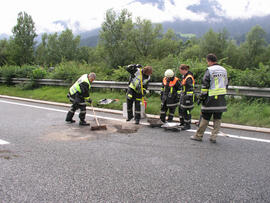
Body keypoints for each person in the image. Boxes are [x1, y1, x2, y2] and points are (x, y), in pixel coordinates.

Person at [191, 53, 228, 143]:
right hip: (221, 98)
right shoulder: (224, 70)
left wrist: (201, 97)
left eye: (207, 61)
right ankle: (213, 137)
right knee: (217, 118)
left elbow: (205, 86)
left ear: (209, 61)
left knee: (205, 117)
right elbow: (226, 83)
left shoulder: (210, 70)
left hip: (210, 98)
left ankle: (198, 136)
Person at [178, 64, 195, 130]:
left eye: (181, 70)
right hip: (184, 97)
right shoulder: (185, 76)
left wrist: (187, 97)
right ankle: (182, 123)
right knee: (181, 110)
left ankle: (187, 125)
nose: (180, 72)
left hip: (188, 98)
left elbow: (190, 89)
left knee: (186, 111)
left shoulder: (189, 77)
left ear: (184, 70)